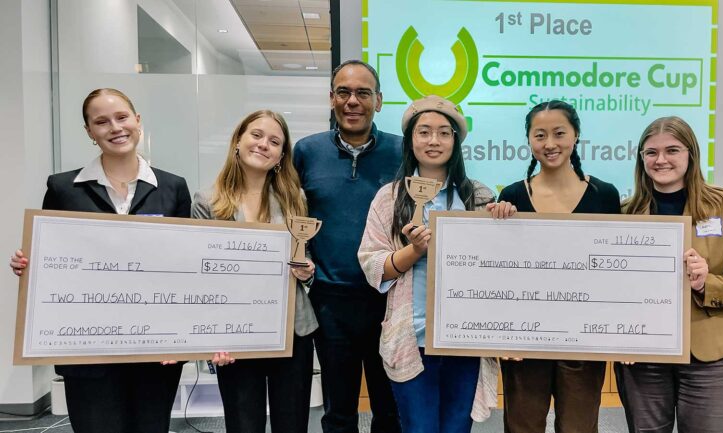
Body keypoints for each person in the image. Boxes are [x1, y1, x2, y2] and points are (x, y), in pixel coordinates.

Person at [9, 88, 191, 433]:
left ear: (137, 120)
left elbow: (181, 268)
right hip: (87, 348)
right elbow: (51, 259)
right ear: (89, 132)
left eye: (122, 117)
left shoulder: (173, 187)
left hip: (153, 347)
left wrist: (180, 336)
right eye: (101, 121)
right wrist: (30, 265)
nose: (115, 127)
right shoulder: (64, 188)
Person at [358, 95, 506, 433]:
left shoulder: (477, 196)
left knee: (456, 428)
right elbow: (372, 263)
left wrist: (503, 217)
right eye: (424, 132)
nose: (434, 141)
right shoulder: (389, 197)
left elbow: (495, 265)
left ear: (456, 140)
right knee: (419, 428)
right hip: (412, 336)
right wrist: (412, 251)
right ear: (411, 140)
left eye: (443, 132)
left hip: (464, 336)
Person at [615, 116, 723, 433]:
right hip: (643, 358)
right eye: (651, 152)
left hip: (709, 358)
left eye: (672, 150)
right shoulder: (624, 212)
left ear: (691, 154)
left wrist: (705, 283)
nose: (661, 160)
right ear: (642, 159)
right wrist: (617, 336)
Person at [495, 100, 621, 433]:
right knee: (522, 426)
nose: (550, 144)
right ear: (529, 140)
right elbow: (500, 272)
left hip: (585, 339)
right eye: (540, 135)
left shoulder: (604, 195)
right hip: (524, 340)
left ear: (576, 135)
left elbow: (616, 273)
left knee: (580, 427)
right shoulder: (511, 197)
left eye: (559, 133)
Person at [191, 110, 318, 433]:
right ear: (238, 141)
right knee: (243, 424)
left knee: (292, 425)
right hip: (236, 334)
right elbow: (199, 276)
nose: (264, 145)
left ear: (281, 156)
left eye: (274, 142)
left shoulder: (295, 200)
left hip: (291, 331)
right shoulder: (207, 202)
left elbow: (307, 259)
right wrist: (211, 337)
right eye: (256, 135)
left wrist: (308, 272)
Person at [292, 60, 401, 433]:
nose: (352, 101)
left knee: (390, 409)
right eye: (343, 92)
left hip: (389, 298)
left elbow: (445, 188)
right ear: (331, 99)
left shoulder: (404, 152)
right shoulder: (306, 151)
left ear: (379, 101)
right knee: (338, 411)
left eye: (363, 93)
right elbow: (290, 213)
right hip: (330, 301)